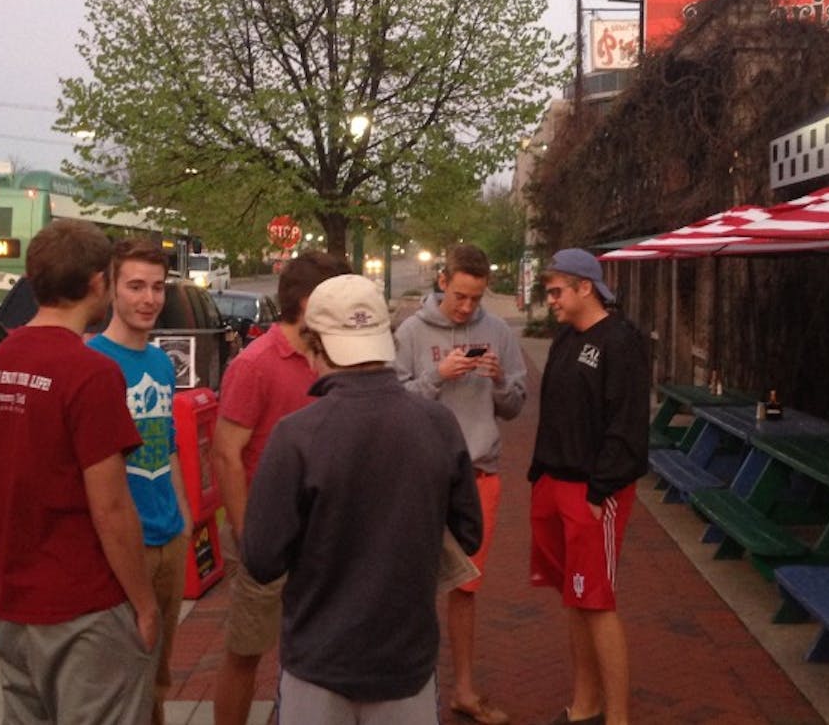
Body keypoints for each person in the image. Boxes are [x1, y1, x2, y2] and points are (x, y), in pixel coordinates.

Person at [243, 274, 483, 724]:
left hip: (317, 661)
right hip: (405, 661)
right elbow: (468, 534)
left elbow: (262, 558)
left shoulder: (296, 436)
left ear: (317, 345)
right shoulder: (438, 424)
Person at [0, 218, 158, 724]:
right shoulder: (91, 373)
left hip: (15, 606)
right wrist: (144, 603)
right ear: (100, 283)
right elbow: (112, 506)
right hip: (84, 609)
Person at [210, 250, 351, 725]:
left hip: (322, 537)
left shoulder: (333, 358)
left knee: (314, 653)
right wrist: (249, 536)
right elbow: (226, 452)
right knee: (245, 652)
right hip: (266, 535)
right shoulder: (255, 364)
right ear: (310, 302)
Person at [393, 243, 525, 725]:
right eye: (461, 296)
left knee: (466, 587)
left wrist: (497, 382)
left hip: (479, 473)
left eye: (477, 298)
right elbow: (393, 402)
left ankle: (464, 689)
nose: (468, 307)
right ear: (443, 280)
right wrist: (437, 374)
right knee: (413, 585)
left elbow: (515, 405)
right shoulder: (410, 331)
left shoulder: (497, 331)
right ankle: (409, 689)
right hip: (422, 476)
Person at [529, 248, 650, 725]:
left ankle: (616, 718)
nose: (551, 299)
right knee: (575, 599)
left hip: (593, 493)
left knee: (597, 602)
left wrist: (600, 490)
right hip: (553, 482)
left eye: (557, 290)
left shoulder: (621, 341)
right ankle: (585, 706)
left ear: (585, 287)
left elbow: (627, 425)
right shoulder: (563, 340)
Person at [87, 238, 192, 725]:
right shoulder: (93, 364)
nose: (149, 298)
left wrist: (185, 520)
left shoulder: (160, 364)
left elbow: (166, 445)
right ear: (110, 289)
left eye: (157, 287)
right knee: (119, 684)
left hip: (169, 540)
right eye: (135, 286)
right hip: (121, 551)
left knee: (157, 681)